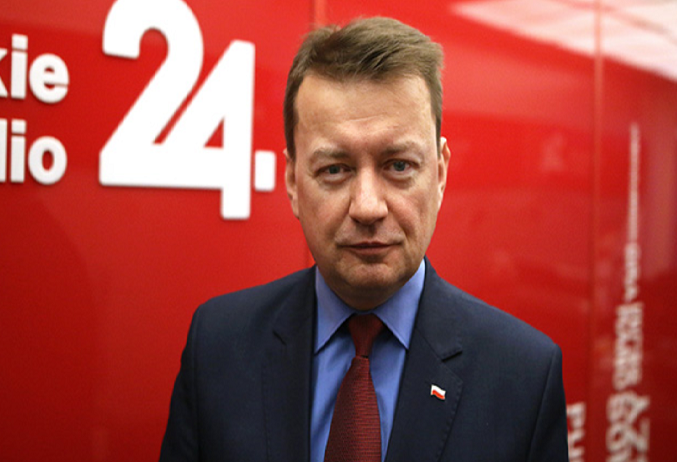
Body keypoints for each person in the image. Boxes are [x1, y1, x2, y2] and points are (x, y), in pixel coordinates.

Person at [160, 17, 569, 462]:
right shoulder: (217, 346)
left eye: (399, 165)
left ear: (439, 174)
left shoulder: (524, 376)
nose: (368, 207)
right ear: (293, 182)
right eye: (335, 169)